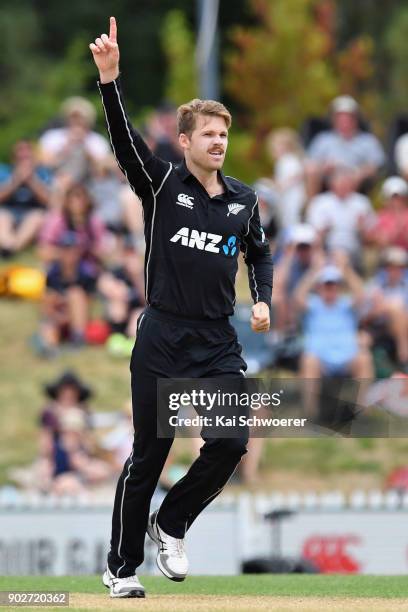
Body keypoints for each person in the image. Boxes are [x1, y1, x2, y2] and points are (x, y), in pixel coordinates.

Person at [89, 17, 272, 599]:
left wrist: (262, 298)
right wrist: (110, 80)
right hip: (164, 334)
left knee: (230, 441)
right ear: (186, 140)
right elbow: (124, 146)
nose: (218, 142)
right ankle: (121, 568)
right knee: (150, 455)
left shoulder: (244, 200)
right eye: (208, 134)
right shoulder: (163, 184)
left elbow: (259, 255)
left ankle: (171, 524)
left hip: (217, 338)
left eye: (224, 134)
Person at [306, 95, 385, 195]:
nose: (344, 121)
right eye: (340, 117)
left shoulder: (367, 140)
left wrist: (358, 173)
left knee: (354, 176)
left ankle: (351, 205)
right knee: (311, 170)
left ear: (356, 119)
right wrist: (324, 166)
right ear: (333, 119)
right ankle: (312, 208)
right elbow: (311, 162)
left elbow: (376, 164)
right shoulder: (323, 139)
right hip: (329, 178)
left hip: (355, 176)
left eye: (348, 117)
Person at [306, 166, 376, 268]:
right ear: (332, 184)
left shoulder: (362, 203)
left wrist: (362, 229)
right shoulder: (320, 202)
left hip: (355, 250)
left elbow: (373, 235)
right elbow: (313, 234)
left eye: (346, 184)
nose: (344, 187)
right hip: (328, 248)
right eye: (341, 184)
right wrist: (323, 232)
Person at [0, 140, 51, 256]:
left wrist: (31, 181)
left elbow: (48, 201)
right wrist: (16, 181)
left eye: (27, 152)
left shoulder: (43, 173)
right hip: (8, 211)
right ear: (13, 157)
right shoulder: (4, 171)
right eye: (20, 152)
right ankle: (9, 245)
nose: (24, 155)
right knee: (1, 216)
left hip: (33, 213)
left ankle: (11, 248)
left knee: (37, 217)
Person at [366, 176, 408, 251]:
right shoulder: (381, 216)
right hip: (387, 255)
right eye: (393, 198)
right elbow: (381, 241)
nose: (396, 201)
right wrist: (396, 231)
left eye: (398, 198)